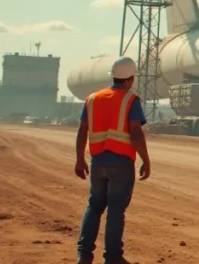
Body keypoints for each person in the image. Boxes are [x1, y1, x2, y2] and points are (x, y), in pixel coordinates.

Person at [74, 56, 151, 264]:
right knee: (116, 211)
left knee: (94, 206)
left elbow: (82, 130)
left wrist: (79, 159)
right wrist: (146, 160)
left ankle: (84, 254)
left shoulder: (92, 99)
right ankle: (113, 257)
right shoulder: (130, 100)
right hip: (121, 163)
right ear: (130, 79)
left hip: (97, 162)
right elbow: (135, 132)